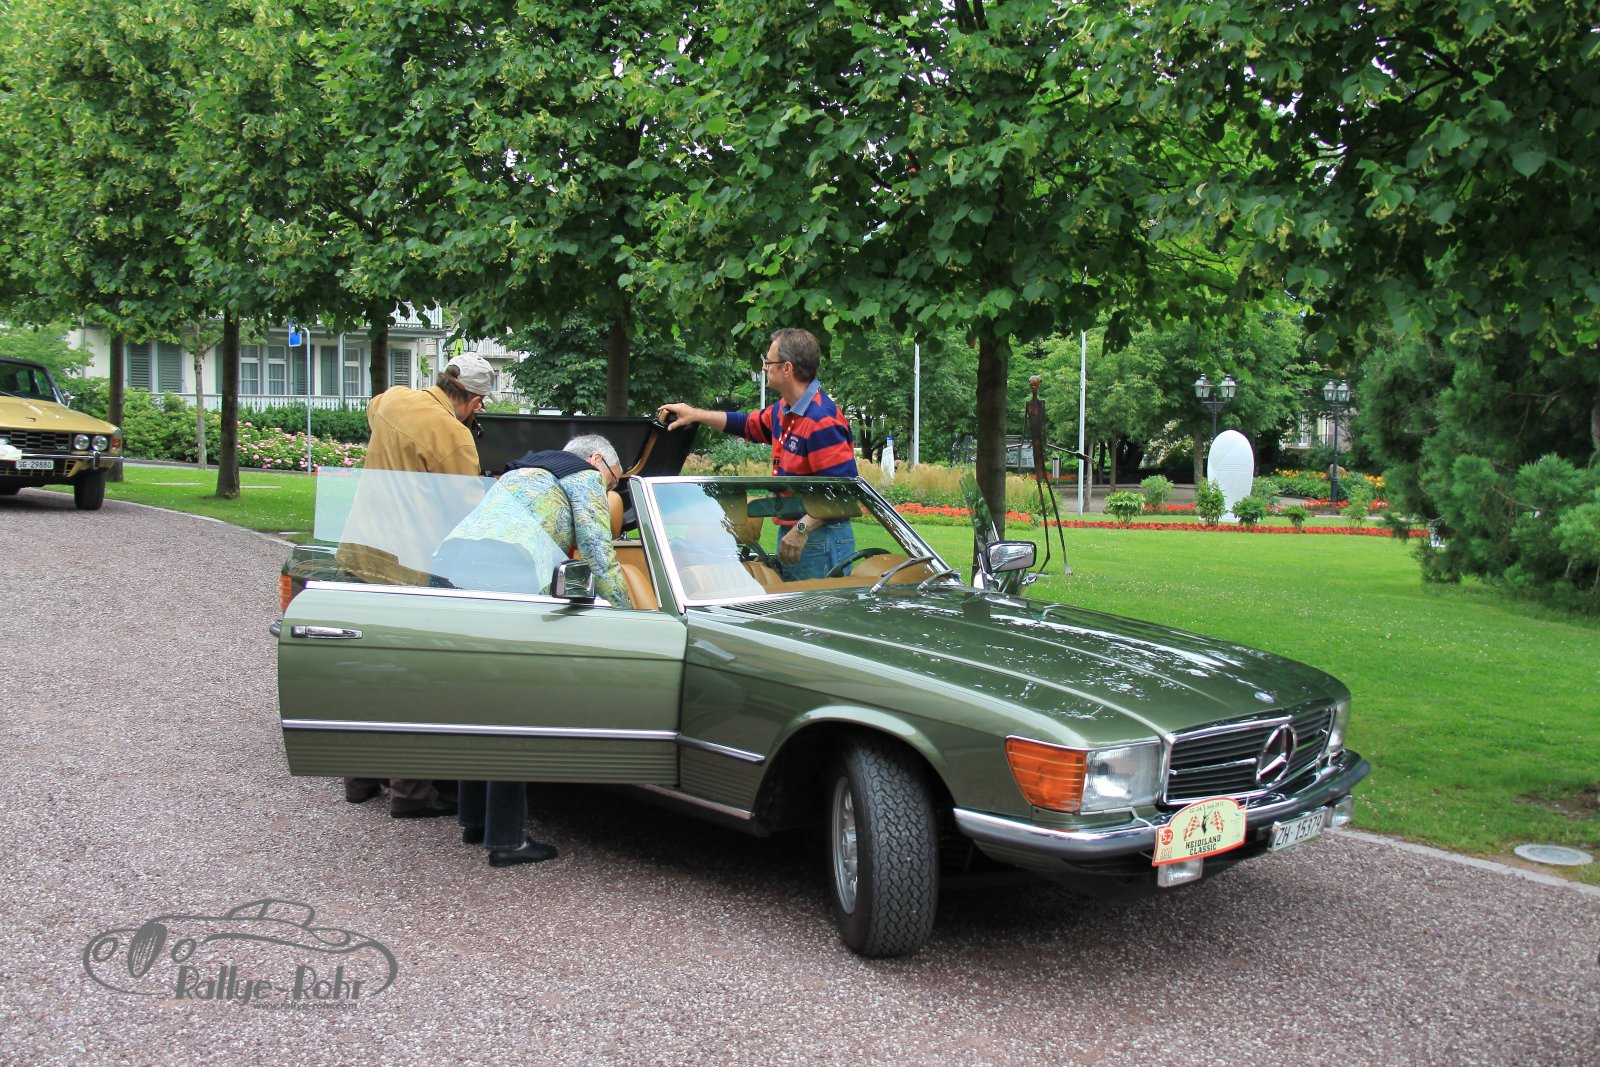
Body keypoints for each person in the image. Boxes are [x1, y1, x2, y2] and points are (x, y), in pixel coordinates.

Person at [436, 433, 634, 867]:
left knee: (477, 702)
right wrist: (630, 618)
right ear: (598, 459)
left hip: (451, 567)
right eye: (614, 480)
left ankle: (475, 820)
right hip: (507, 573)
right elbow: (599, 553)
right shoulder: (583, 475)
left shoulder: (525, 469)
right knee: (513, 707)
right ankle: (506, 840)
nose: (611, 490)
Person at [338, 352, 498, 820]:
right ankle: (410, 792)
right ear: (473, 401)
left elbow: (374, 412)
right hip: (405, 569)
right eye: (479, 405)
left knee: (366, 671)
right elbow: (467, 513)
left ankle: (360, 778)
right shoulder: (454, 435)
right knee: (409, 679)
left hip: (359, 553)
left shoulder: (393, 400)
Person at [657, 327, 858, 579]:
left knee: (816, 605)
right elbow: (745, 424)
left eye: (768, 362)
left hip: (819, 538)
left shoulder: (822, 420)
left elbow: (842, 494)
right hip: (800, 534)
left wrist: (801, 529)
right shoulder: (785, 409)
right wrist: (695, 414)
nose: (764, 368)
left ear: (787, 368)